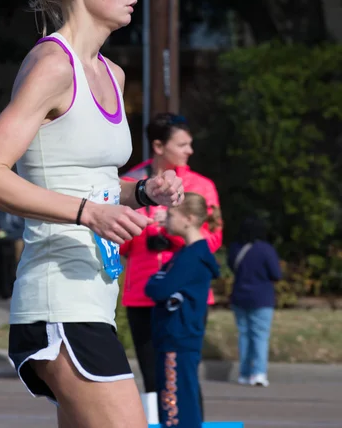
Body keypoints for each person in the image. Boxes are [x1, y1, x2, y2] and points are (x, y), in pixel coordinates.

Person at [0, 0, 185, 428]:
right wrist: (90, 214)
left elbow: (80, 179)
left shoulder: (113, 73)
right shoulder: (52, 66)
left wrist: (142, 191)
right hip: (57, 301)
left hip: (94, 298)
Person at [119, 112, 222, 419]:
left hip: (187, 294)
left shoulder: (201, 186)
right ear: (159, 146)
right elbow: (116, 242)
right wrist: (143, 227)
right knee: (152, 376)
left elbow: (212, 241)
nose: (189, 151)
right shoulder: (130, 182)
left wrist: (171, 232)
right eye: (182, 144)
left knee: (183, 376)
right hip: (142, 292)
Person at [145, 193, 220, 428]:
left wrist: (159, 280)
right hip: (175, 338)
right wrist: (159, 281)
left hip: (177, 340)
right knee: (178, 404)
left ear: (188, 219)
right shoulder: (186, 255)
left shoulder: (192, 258)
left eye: (170, 214)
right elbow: (156, 285)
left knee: (175, 408)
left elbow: (157, 288)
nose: (165, 219)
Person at [227, 216, 282, 387]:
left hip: (239, 296)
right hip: (262, 298)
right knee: (260, 336)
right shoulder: (266, 249)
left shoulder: (235, 248)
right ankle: (258, 373)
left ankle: (244, 373)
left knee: (244, 335)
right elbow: (276, 274)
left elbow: (231, 267)